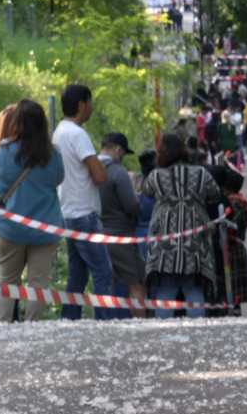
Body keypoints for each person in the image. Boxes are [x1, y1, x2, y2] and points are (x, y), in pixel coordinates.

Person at [0, 100, 64, 323]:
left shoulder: (3, 150)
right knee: (38, 283)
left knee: (7, 281)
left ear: (18, 123)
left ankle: (2, 326)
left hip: (10, 228)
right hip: (45, 228)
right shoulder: (53, 154)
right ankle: (32, 329)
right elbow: (59, 179)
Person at [52, 84, 120, 320]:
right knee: (102, 271)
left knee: (77, 274)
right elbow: (99, 176)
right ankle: (104, 322)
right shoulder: (78, 134)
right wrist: (101, 164)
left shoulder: (58, 132)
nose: (91, 108)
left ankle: (69, 319)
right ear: (82, 105)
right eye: (89, 103)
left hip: (67, 211)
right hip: (85, 214)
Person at [141, 132, 221, 317]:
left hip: (164, 242)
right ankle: (196, 331)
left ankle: (163, 331)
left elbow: (146, 191)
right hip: (194, 240)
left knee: (165, 290)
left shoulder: (156, 176)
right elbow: (215, 193)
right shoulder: (201, 173)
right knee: (193, 288)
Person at [97, 132, 147, 316]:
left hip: (96, 234)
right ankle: (142, 327)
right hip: (121, 236)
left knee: (105, 283)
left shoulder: (89, 167)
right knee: (136, 283)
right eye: (123, 153)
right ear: (117, 149)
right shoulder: (118, 172)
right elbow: (131, 206)